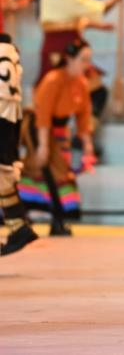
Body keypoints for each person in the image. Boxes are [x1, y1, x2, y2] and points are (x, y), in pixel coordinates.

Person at [35, 0, 124, 153]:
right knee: (96, 93)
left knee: (50, 98)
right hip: (70, 51)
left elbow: (67, 21)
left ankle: (53, 143)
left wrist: (97, 26)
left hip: (49, 51)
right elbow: (99, 9)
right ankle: (82, 136)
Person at [23, 38, 97, 234]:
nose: (86, 64)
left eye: (88, 60)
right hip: (39, 130)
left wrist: (87, 143)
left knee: (59, 175)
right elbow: (43, 114)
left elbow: (84, 116)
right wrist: (43, 146)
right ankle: (56, 219)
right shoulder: (53, 79)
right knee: (48, 173)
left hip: (60, 133)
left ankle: (56, 219)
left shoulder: (81, 82)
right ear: (69, 59)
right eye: (83, 60)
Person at [1, 32, 38, 255]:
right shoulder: (12, 55)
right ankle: (18, 226)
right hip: (10, 118)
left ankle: (19, 227)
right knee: (4, 175)